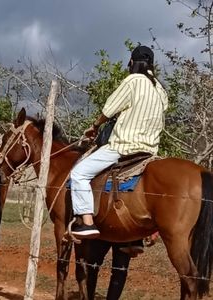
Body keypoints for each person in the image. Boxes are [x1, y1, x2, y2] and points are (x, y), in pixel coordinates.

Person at [70, 45, 169, 238]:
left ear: (132, 62)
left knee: (79, 173)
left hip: (123, 147)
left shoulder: (133, 81)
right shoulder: (160, 89)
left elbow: (109, 109)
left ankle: (87, 222)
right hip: (149, 151)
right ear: (152, 64)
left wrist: (95, 126)